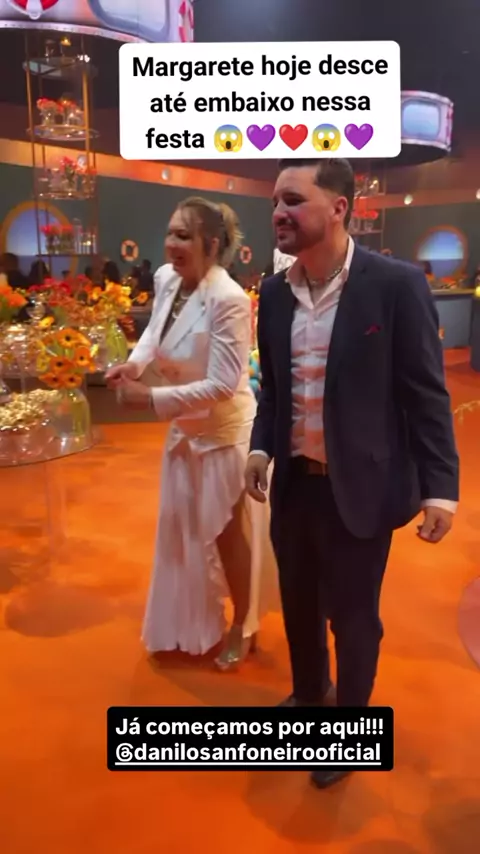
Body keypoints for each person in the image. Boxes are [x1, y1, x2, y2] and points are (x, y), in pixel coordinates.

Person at [245, 158, 459, 789]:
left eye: (293, 200)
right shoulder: (273, 293)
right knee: (298, 605)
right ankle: (309, 696)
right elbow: (274, 390)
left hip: (361, 488)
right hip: (294, 485)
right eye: (275, 201)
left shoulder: (395, 285)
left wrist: (440, 488)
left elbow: (426, 394)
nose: (278, 212)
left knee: (354, 618)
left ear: (340, 207)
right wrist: (260, 449)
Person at [106, 196, 269, 669]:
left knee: (226, 536)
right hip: (185, 428)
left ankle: (243, 624)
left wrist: (149, 398)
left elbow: (223, 385)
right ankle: (190, 624)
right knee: (180, 529)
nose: (171, 244)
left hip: (225, 433)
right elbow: (154, 332)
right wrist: (134, 365)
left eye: (184, 235)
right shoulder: (165, 278)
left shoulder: (229, 299)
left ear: (211, 245)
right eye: (170, 232)